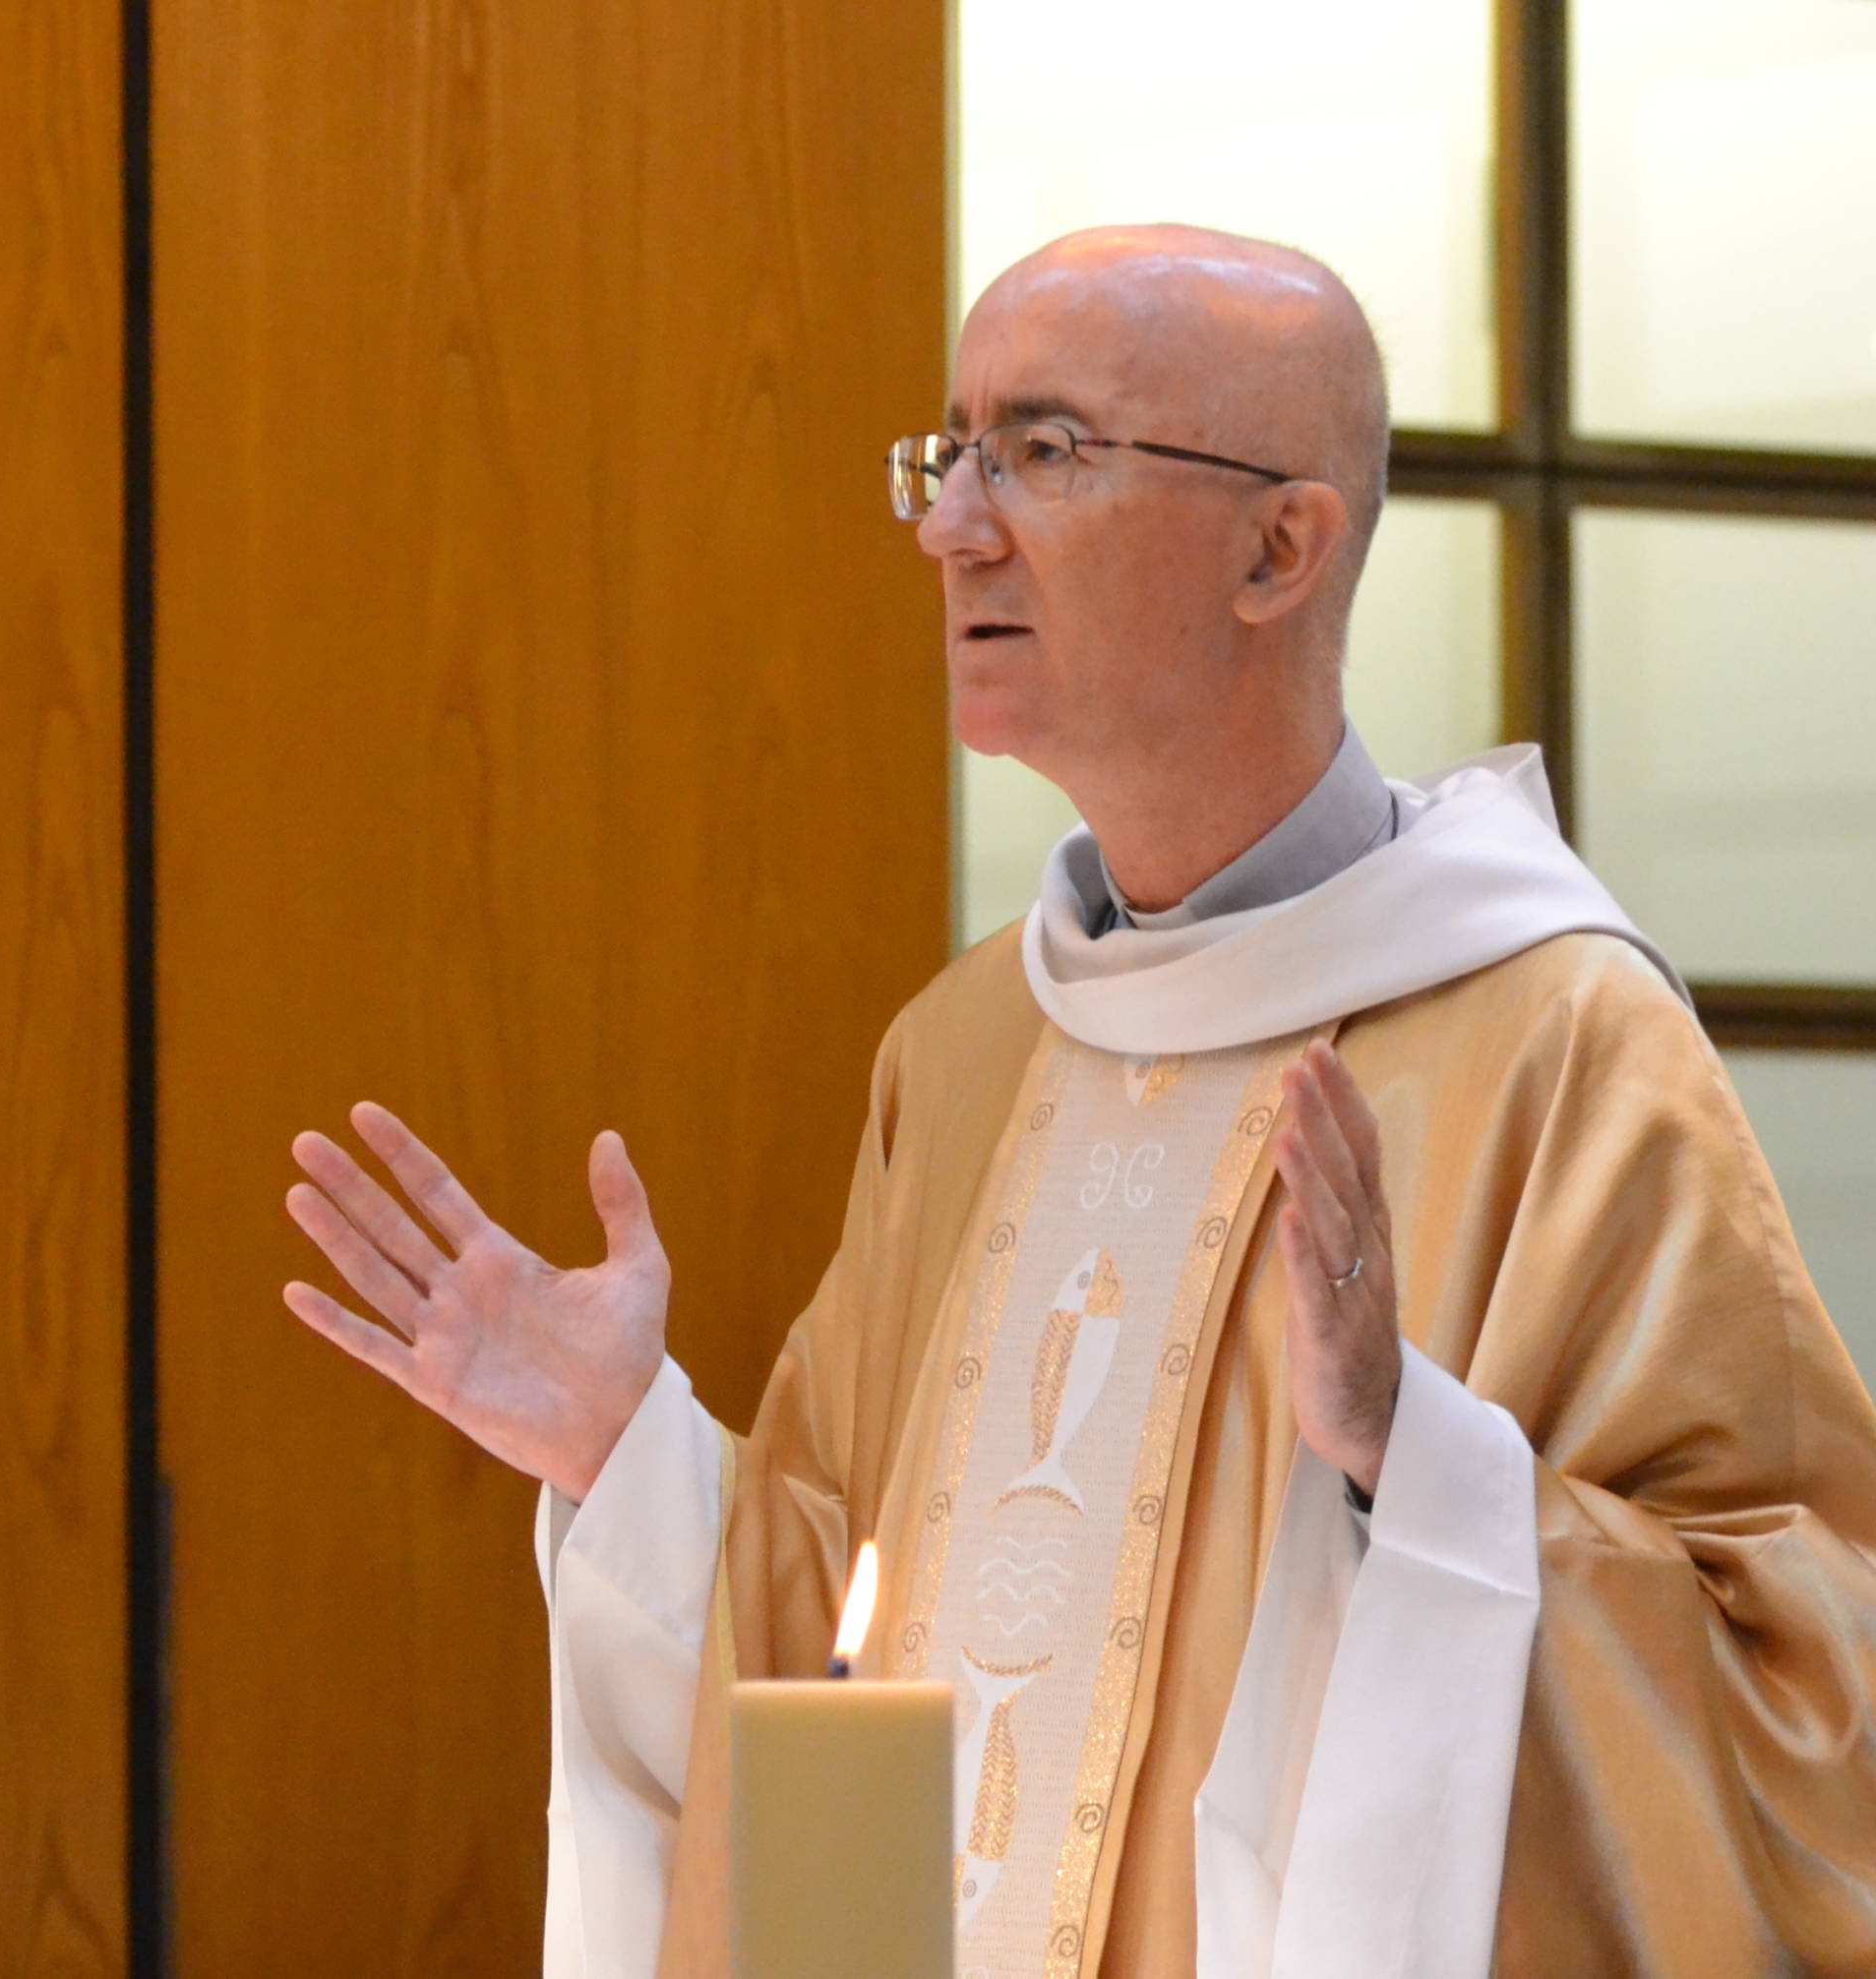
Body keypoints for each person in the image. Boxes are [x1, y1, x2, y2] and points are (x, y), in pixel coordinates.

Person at [282, 225, 1876, 1978]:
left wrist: (1410, 1476)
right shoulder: (966, 1050)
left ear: (1283, 545)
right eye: (949, 454)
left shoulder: (1560, 1042)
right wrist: (629, 1458)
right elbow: (863, 1641)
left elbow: (1800, 1698)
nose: (951, 523)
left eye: (1041, 453)